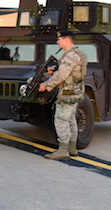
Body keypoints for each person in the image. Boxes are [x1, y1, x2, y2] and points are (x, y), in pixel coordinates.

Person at [39, 30, 88, 159]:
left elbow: (62, 75)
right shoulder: (78, 53)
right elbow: (69, 72)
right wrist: (54, 70)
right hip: (75, 92)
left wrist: (46, 85)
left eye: (59, 39)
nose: (57, 42)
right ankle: (72, 148)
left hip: (67, 94)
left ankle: (63, 150)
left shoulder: (70, 56)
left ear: (66, 40)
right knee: (71, 120)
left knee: (61, 120)